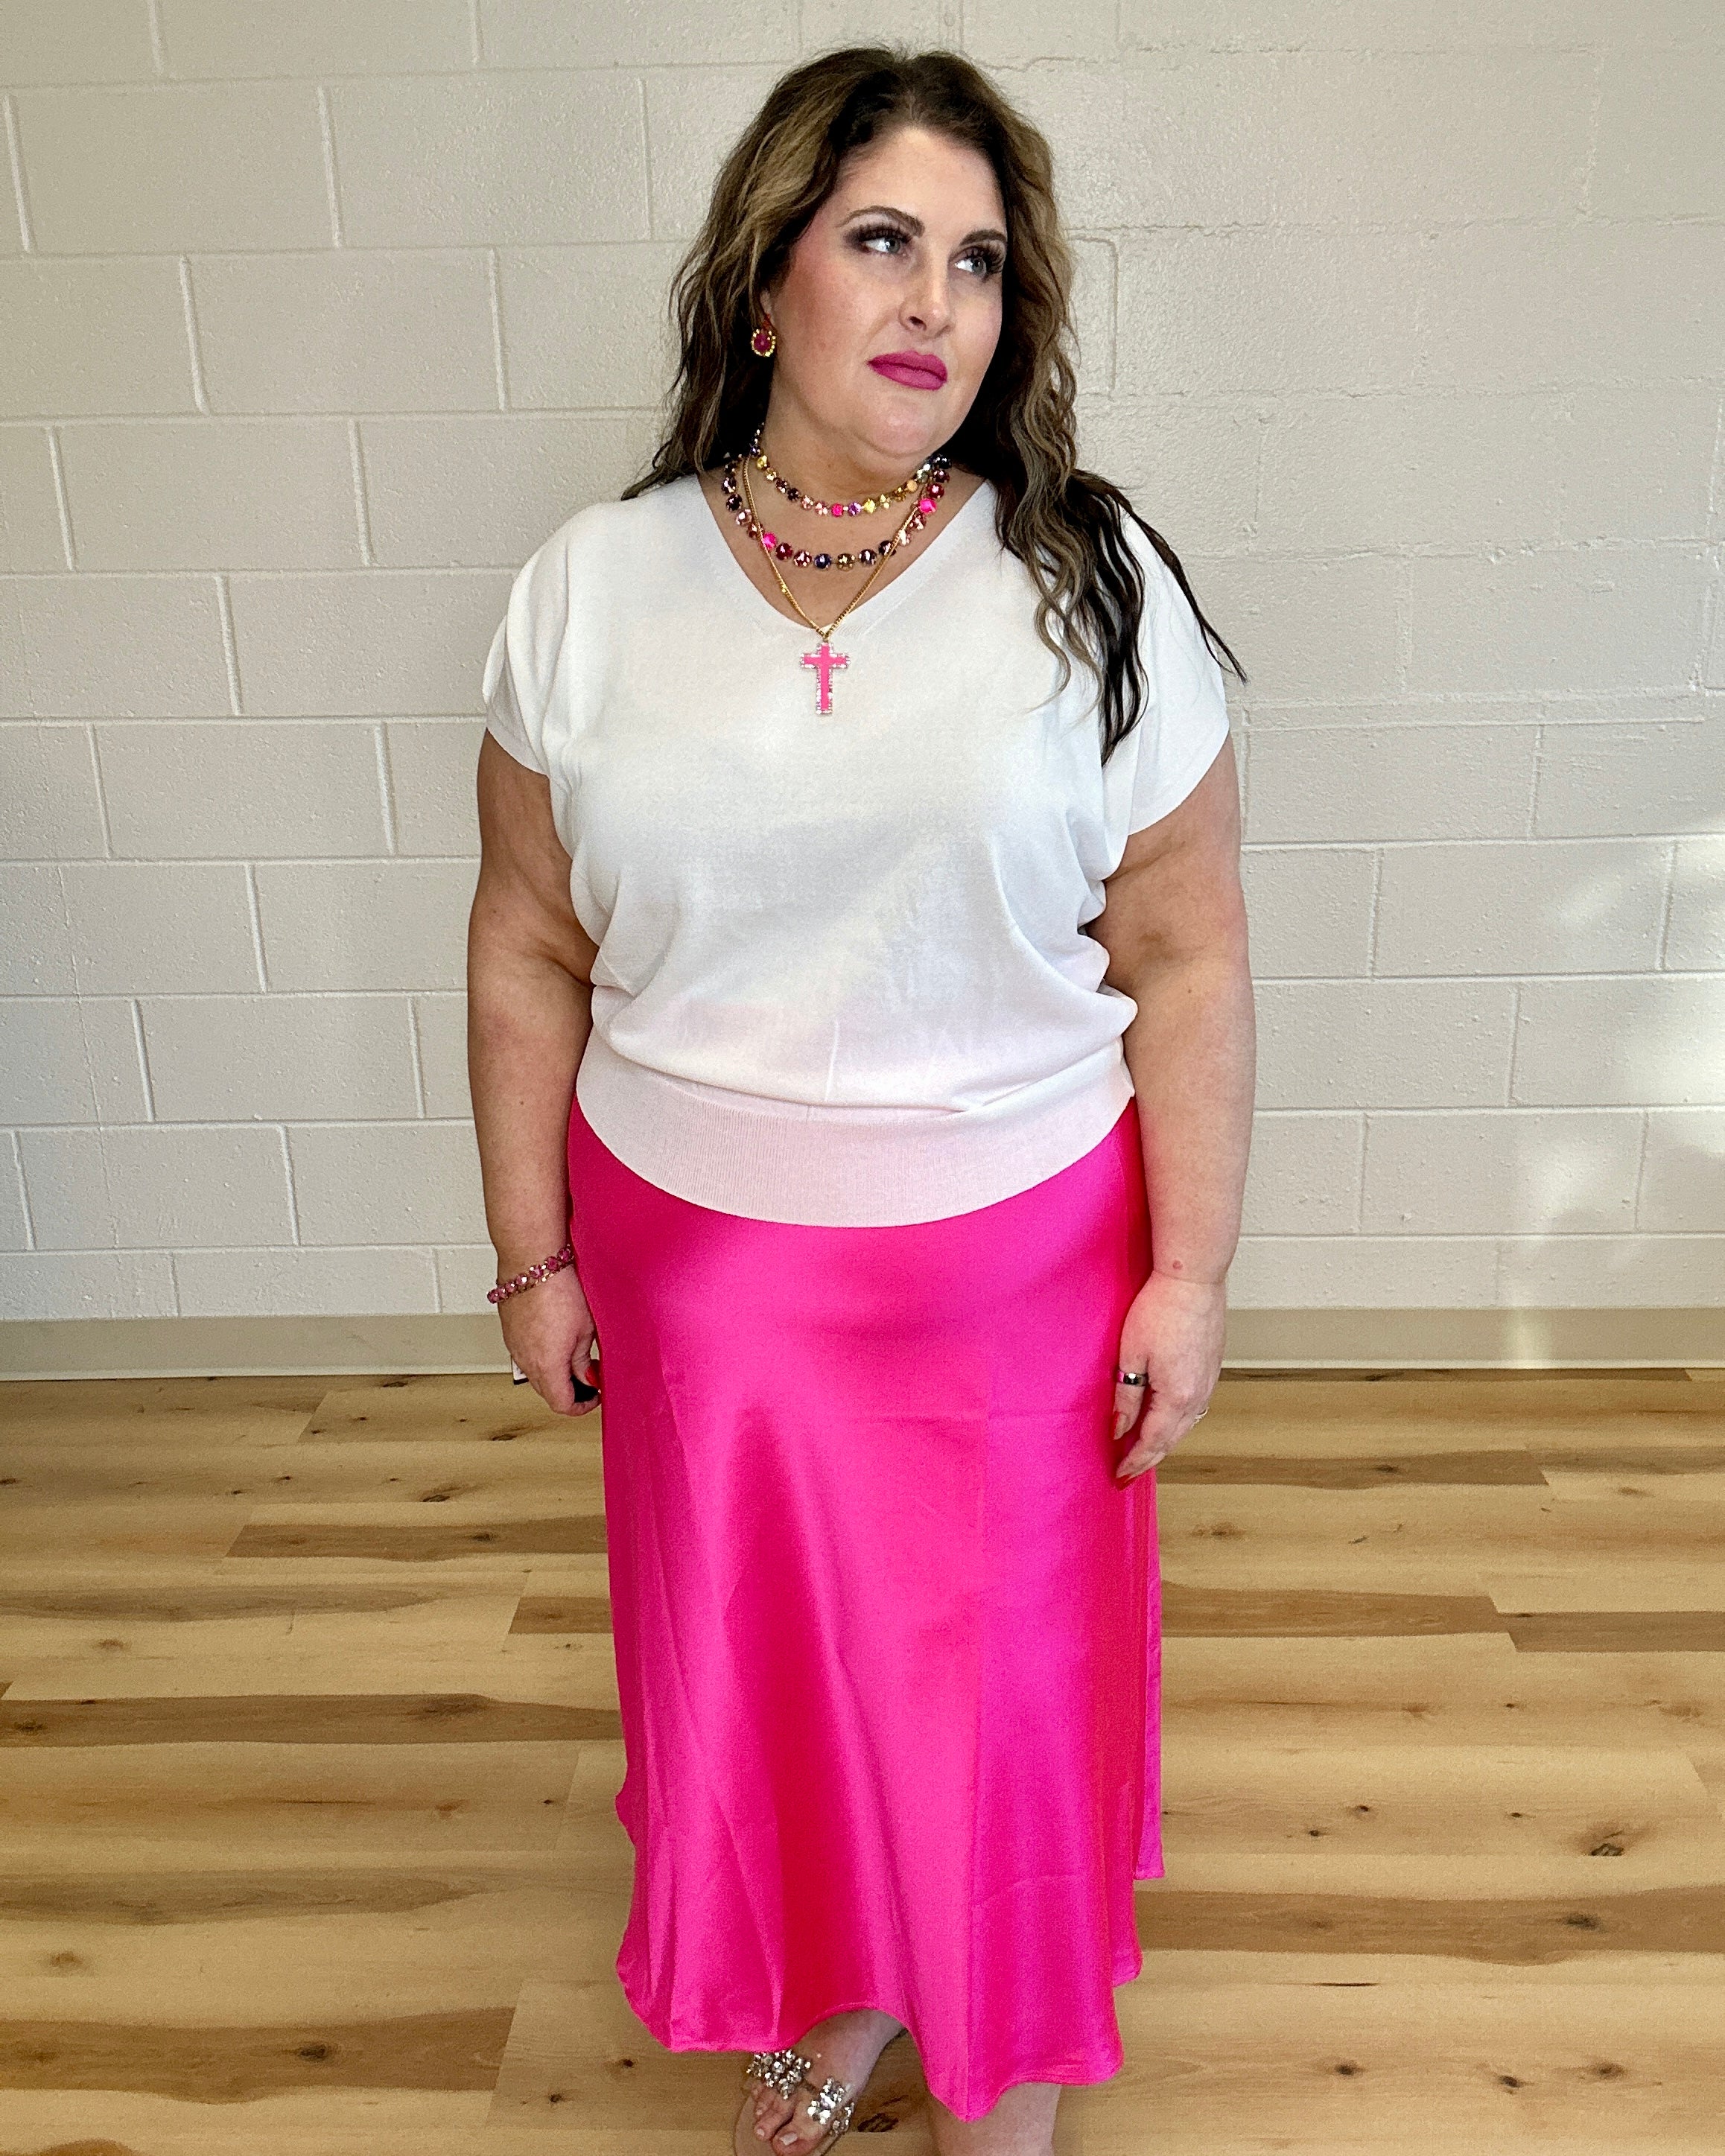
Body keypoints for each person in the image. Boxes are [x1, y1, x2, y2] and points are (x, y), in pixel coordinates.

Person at [467, 44, 1254, 2156]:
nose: (935, 303)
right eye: (884, 241)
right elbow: (526, 939)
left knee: (993, 1712)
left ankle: (989, 2052)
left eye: (979, 263)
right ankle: (845, 1989)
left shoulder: (1089, 586)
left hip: (1014, 1281)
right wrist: (530, 1256)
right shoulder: (590, 589)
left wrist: (1188, 1272)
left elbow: (1186, 952)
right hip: (708, 1287)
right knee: (781, 1689)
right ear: (764, 286)